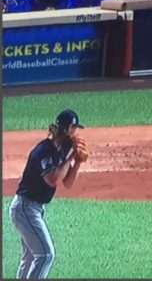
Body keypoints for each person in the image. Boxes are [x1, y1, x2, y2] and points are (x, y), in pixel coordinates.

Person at [9, 109, 88, 279]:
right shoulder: (43, 150)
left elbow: (67, 182)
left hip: (32, 208)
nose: (74, 133)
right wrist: (69, 157)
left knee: (31, 257)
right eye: (73, 128)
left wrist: (78, 162)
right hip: (25, 207)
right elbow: (52, 179)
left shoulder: (62, 148)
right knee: (46, 255)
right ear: (64, 128)